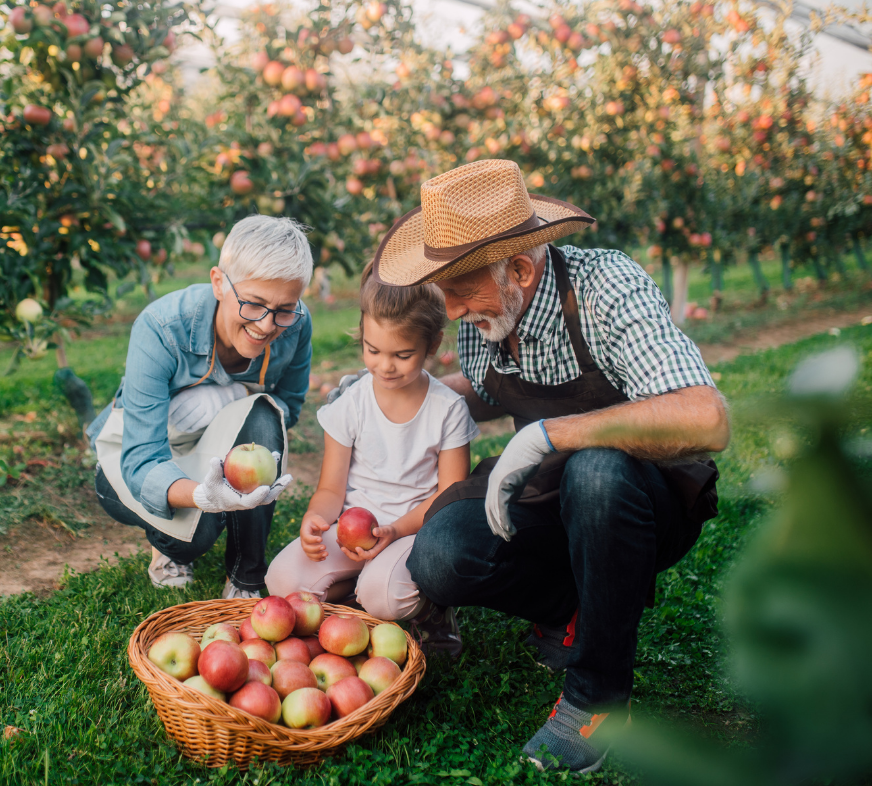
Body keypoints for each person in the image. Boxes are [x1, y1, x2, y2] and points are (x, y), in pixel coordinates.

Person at [338, 159, 729, 773]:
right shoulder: (484, 318)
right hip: (551, 496)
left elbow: (708, 417)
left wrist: (553, 435)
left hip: (641, 501)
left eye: (462, 289)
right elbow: (483, 388)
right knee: (440, 556)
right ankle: (572, 606)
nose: (453, 306)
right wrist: (397, 385)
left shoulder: (605, 288)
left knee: (596, 471)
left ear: (520, 268)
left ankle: (597, 700)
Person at [86, 216, 313, 599]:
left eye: (284, 309)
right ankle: (169, 547)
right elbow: (140, 460)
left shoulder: (296, 324)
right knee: (193, 537)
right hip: (137, 452)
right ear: (219, 282)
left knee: (263, 409)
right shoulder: (161, 326)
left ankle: (246, 577)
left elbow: (287, 407)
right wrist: (202, 497)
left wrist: (237, 412)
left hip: (215, 444)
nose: (267, 324)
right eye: (254, 304)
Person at [265, 263, 478, 623]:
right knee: (281, 580)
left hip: (411, 533)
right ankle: (355, 593)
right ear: (363, 334)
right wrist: (316, 517)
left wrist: (395, 530)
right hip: (353, 532)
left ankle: (432, 612)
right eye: (373, 350)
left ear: (433, 344)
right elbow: (331, 489)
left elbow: (448, 498)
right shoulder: (352, 404)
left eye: (402, 355)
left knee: (385, 599)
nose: (385, 366)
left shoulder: (448, 410)